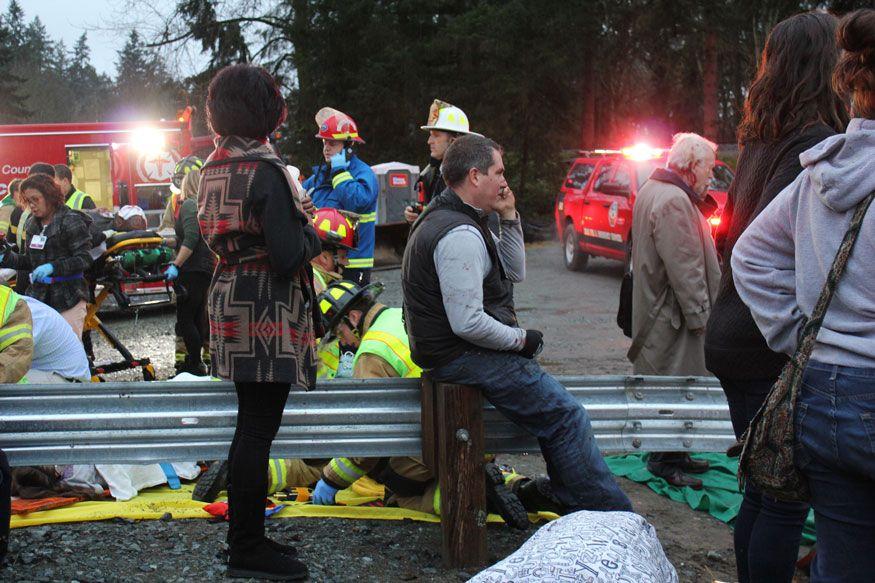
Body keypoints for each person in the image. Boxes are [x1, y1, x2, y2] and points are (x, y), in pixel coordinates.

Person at [402, 134, 632, 513]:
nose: (504, 182)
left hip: (454, 351)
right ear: (475, 176)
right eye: (499, 172)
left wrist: (509, 217)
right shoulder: (459, 233)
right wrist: (521, 340)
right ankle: (608, 515)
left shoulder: (461, 217)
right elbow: (467, 323)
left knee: (559, 414)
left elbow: (514, 271)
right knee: (565, 417)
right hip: (461, 354)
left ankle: (569, 496)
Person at [703, 12, 847, 583]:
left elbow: (733, 236)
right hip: (765, 342)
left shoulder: (765, 139)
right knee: (783, 500)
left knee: (764, 494)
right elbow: (773, 250)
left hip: (736, 333)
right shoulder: (814, 146)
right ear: (826, 65)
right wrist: (796, 335)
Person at [732, 9, 875, 581]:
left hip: (821, 397)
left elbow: (748, 255)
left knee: (843, 563)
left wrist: (802, 338)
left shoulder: (819, 172)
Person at [198, 63, 320, 581]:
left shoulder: (215, 165)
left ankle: (245, 537)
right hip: (266, 308)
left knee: (249, 428)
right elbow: (291, 255)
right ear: (264, 110)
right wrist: (311, 227)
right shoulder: (266, 171)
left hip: (231, 299)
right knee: (256, 432)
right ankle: (247, 546)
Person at [309, 280, 550, 528]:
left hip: (440, 444)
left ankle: (478, 496)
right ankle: (523, 489)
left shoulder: (372, 352)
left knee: (397, 490)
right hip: (483, 433)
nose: (344, 342)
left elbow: (368, 441)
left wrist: (331, 480)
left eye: (340, 333)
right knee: (454, 469)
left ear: (354, 317)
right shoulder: (405, 317)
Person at [627, 133, 721, 489]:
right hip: (672, 316)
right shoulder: (673, 201)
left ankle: (675, 453)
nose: (711, 176)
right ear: (690, 166)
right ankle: (664, 460)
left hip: (662, 309)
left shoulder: (658, 190)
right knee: (673, 383)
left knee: (674, 383)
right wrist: (702, 319)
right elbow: (686, 268)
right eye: (709, 168)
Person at [0, 173, 93, 339]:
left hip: (69, 297)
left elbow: (84, 259)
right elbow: (30, 261)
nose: (32, 205)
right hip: (39, 297)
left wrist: (53, 267)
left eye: (36, 199)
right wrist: (6, 257)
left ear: (50, 196)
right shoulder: (31, 224)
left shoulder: (70, 220)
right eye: (28, 201)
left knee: (67, 350)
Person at [301, 108, 378, 286]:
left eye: (332, 144)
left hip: (353, 264)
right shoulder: (318, 177)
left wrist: (339, 172)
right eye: (324, 143)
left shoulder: (364, 174)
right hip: (320, 262)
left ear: (349, 147)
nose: (326, 148)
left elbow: (357, 202)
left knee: (349, 313)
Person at [163, 167, 215, 376]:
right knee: (198, 317)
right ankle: (198, 362)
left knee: (186, 318)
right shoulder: (203, 205)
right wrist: (166, 241)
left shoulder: (189, 205)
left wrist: (176, 264)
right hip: (206, 267)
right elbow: (192, 237)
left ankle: (195, 363)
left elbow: (191, 239)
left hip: (192, 268)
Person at [404, 100, 480, 224]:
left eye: (436, 135)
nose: (429, 141)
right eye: (430, 135)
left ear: (454, 141)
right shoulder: (431, 174)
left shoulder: (472, 177)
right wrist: (416, 215)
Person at [311, 207, 357, 380]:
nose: (346, 262)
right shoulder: (315, 284)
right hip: (313, 385)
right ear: (323, 257)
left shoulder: (312, 278)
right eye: (343, 256)